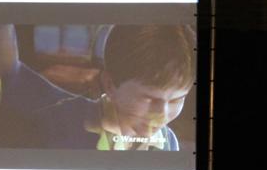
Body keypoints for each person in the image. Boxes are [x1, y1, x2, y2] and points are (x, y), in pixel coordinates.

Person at [30, 25, 196, 151]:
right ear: (110, 85)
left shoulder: (169, 142)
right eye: (149, 98)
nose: (162, 114)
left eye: (176, 100)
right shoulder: (55, 125)